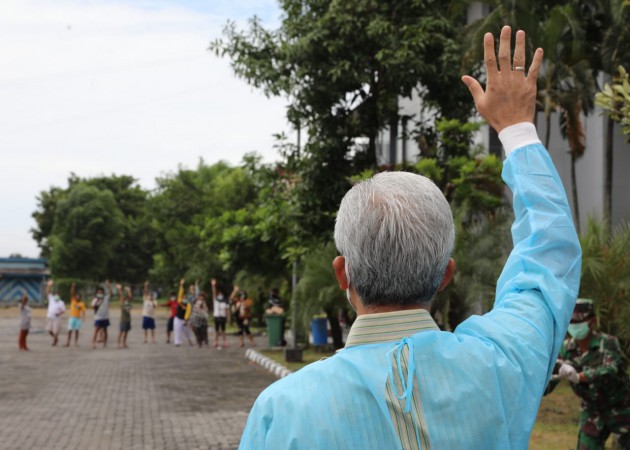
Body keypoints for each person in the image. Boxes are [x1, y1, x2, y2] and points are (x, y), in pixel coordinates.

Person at [239, 26, 582, 449]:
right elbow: (551, 255)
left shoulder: (283, 410)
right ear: (445, 275)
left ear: (342, 274)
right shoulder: (500, 366)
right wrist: (517, 129)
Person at [546, 299, 630, 449]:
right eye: (570, 321)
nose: (572, 325)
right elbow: (552, 377)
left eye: (577, 321)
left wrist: (580, 377)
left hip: (622, 407)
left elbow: (610, 370)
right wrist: (534, 389)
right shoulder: (565, 349)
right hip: (592, 409)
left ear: (591, 322)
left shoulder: (608, 343)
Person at [91, 280, 112, 349]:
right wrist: (97, 300)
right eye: (99, 292)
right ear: (97, 293)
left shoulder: (106, 298)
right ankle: (93, 343)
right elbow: (92, 307)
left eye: (101, 292)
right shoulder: (95, 299)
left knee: (105, 330)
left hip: (105, 317)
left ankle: (105, 343)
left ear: (103, 292)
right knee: (96, 330)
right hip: (98, 317)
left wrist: (108, 286)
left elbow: (111, 293)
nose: (100, 293)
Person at [65, 282, 86, 347]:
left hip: (78, 318)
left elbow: (83, 311)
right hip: (72, 318)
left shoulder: (81, 304)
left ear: (80, 298)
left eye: (78, 297)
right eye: (76, 296)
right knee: (70, 330)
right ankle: (68, 342)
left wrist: (83, 318)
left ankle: (76, 343)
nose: (77, 297)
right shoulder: (73, 300)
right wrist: (73, 287)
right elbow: (71, 293)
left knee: (77, 331)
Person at [45, 279, 66, 346]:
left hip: (57, 318)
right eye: (55, 294)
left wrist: (59, 313)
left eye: (58, 295)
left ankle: (54, 341)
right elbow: (47, 292)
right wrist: (49, 285)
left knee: (55, 330)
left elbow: (63, 311)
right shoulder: (51, 298)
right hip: (50, 316)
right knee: (49, 330)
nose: (56, 296)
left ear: (59, 296)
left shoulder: (61, 302)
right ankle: (55, 338)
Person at [173, 278, 193, 347]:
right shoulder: (179, 301)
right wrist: (181, 284)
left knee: (187, 332)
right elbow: (180, 292)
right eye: (183, 297)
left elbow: (188, 313)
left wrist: (186, 320)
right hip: (178, 318)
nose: (184, 297)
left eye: (185, 297)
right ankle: (177, 342)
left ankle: (190, 341)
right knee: (177, 330)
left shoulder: (188, 305)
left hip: (184, 319)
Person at [211, 278, 230, 349]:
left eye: (221, 294)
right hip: (216, 316)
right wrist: (213, 286)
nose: (220, 295)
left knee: (223, 330)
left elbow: (227, 311)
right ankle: (215, 341)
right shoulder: (216, 301)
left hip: (223, 316)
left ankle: (225, 341)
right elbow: (214, 293)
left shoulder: (225, 301)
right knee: (217, 330)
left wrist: (228, 318)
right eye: (219, 294)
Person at [190, 281, 209, 348]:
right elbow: (196, 293)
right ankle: (199, 342)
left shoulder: (204, 303)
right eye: (199, 296)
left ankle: (206, 342)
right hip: (195, 319)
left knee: (204, 332)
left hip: (203, 319)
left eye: (201, 296)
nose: (200, 297)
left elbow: (205, 311)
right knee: (196, 331)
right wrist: (196, 285)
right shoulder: (195, 301)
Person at [117, 284, 132, 349]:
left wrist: (129, 290)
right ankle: (118, 343)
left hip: (128, 319)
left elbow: (130, 297)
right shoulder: (122, 303)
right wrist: (120, 290)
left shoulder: (128, 303)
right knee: (121, 332)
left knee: (126, 332)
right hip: (123, 320)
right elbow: (121, 296)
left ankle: (124, 343)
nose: (126, 298)